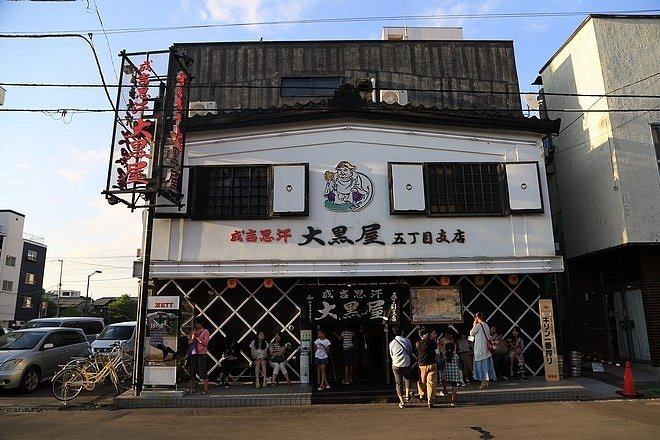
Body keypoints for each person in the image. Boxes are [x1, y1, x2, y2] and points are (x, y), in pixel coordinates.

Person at [470, 312, 497, 389]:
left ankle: (483, 382)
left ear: (477, 317)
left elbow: (471, 333)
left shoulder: (478, 325)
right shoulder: (486, 325)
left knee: (481, 367)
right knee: (486, 366)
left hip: (479, 349)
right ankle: (487, 382)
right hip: (486, 348)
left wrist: (474, 324)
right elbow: (488, 336)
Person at [389, 326, 413, 408]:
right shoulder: (407, 341)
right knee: (407, 378)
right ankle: (407, 394)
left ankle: (402, 401)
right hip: (406, 362)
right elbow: (410, 351)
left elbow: (391, 354)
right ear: (402, 332)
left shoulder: (391, 343)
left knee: (398, 383)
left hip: (396, 364)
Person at [415, 327, 437, 408]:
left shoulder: (418, 343)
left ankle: (422, 394)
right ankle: (430, 400)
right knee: (431, 383)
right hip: (432, 364)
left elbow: (416, 350)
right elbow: (435, 348)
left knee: (421, 381)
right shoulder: (432, 342)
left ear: (420, 335)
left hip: (422, 365)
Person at [187, 317, 210, 395]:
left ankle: (206, 388)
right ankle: (190, 388)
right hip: (194, 353)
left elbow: (205, 343)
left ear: (202, 323)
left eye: (198, 323)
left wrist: (198, 337)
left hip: (201, 354)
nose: (196, 325)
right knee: (192, 370)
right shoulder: (193, 331)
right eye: (195, 323)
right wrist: (192, 338)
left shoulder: (205, 331)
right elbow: (189, 342)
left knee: (202, 370)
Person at [442, 342, 461, 407]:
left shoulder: (445, 356)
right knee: (454, 387)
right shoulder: (456, 356)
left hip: (447, 372)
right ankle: (453, 401)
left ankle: (444, 390)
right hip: (454, 373)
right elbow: (458, 362)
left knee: (443, 380)